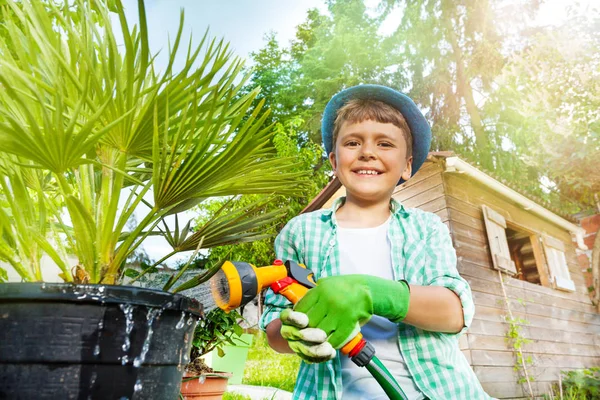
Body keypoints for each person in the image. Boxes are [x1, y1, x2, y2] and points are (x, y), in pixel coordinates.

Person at [259, 84, 492, 400]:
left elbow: (455, 313)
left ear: (407, 166)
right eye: (353, 142)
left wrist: (373, 293)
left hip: (439, 391)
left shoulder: (426, 228)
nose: (367, 152)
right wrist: (294, 330)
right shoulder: (300, 233)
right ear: (334, 161)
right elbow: (274, 327)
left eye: (384, 143)